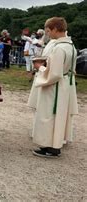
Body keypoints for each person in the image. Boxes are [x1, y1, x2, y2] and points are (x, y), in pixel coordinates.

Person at [28, 17, 78, 158]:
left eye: (48, 31)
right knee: (59, 116)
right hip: (65, 85)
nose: (47, 34)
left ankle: (50, 147)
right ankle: (55, 144)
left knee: (49, 116)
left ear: (55, 29)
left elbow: (54, 74)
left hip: (54, 87)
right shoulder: (71, 46)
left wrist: (40, 68)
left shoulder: (58, 49)